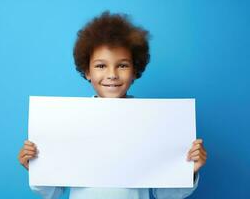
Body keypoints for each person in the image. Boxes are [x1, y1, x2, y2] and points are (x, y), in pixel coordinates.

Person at [18, 11, 207, 199]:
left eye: (122, 65)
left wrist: (188, 170)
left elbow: (166, 194)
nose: (112, 75)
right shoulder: (69, 120)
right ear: (87, 71)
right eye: (101, 66)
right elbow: (53, 191)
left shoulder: (152, 122)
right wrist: (35, 166)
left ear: (135, 71)